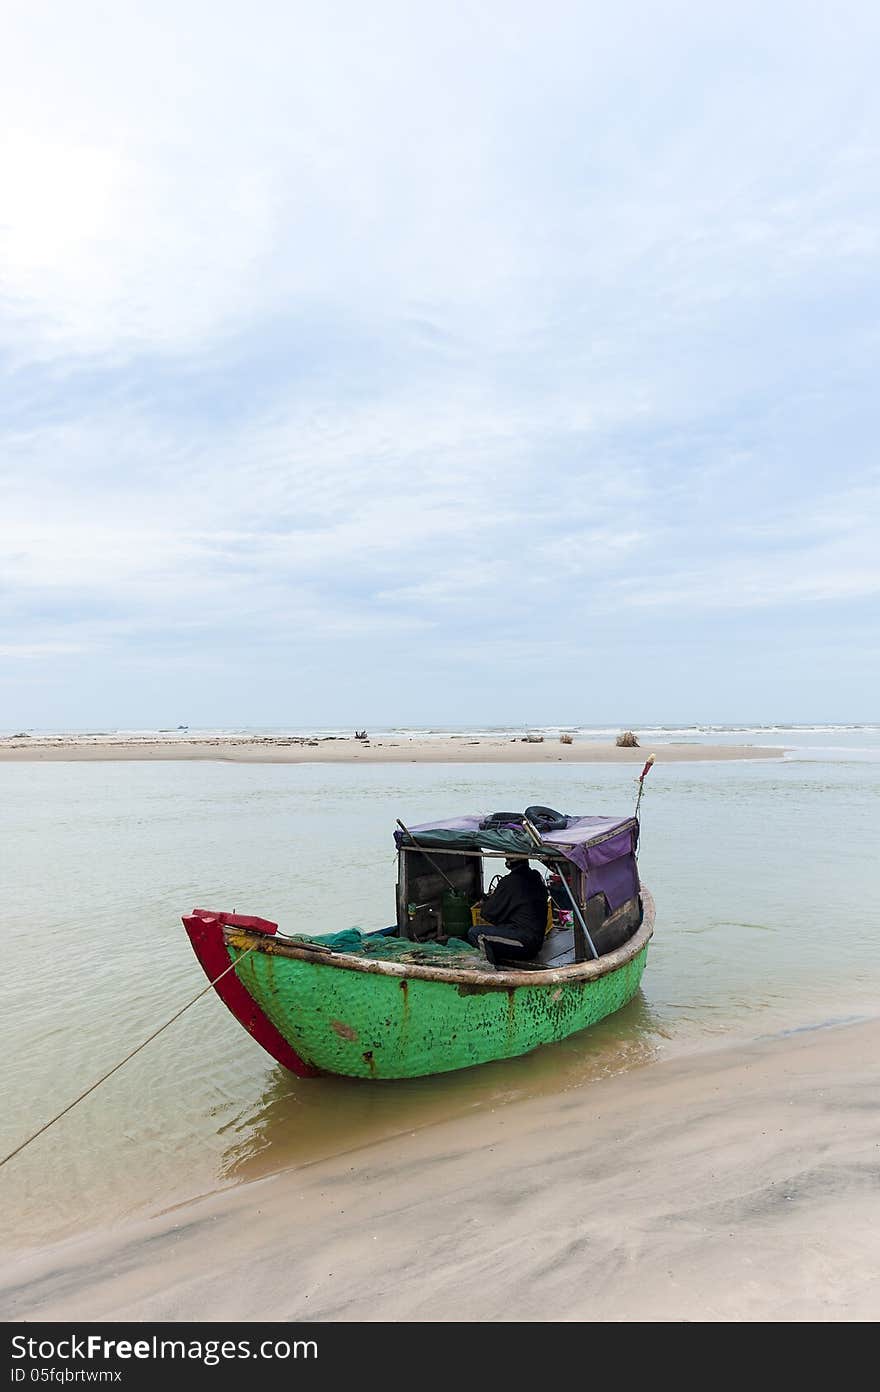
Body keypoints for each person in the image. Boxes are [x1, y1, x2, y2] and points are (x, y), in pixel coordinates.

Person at [467, 857, 548, 964]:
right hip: (536, 941)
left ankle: (489, 972)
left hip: (525, 942)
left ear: (508, 864)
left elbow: (488, 912)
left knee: (476, 933)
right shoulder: (535, 876)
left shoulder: (509, 881)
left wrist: (485, 903)